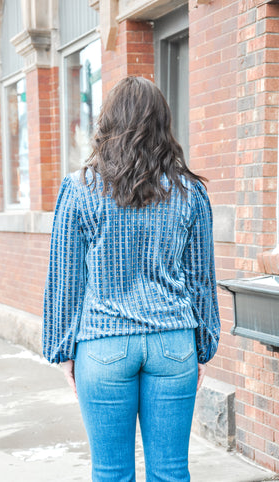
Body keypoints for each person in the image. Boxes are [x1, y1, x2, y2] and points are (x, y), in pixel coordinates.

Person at [42, 76, 220, 482]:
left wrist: (62, 351)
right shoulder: (190, 192)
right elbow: (201, 280)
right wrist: (203, 346)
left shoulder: (79, 188)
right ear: (163, 125)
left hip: (103, 343)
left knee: (110, 474)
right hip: (173, 342)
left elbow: (64, 280)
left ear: (108, 122)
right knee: (171, 472)